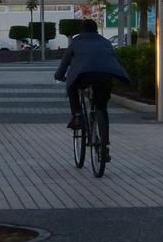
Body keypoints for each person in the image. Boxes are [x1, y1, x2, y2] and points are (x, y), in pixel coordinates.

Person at [54, 19, 130, 153]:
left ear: (81, 30)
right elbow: (114, 60)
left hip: (83, 75)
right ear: (95, 30)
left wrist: (59, 76)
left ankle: (77, 114)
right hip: (105, 75)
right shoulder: (105, 42)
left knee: (72, 86)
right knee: (102, 107)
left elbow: (65, 62)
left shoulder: (76, 42)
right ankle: (104, 141)